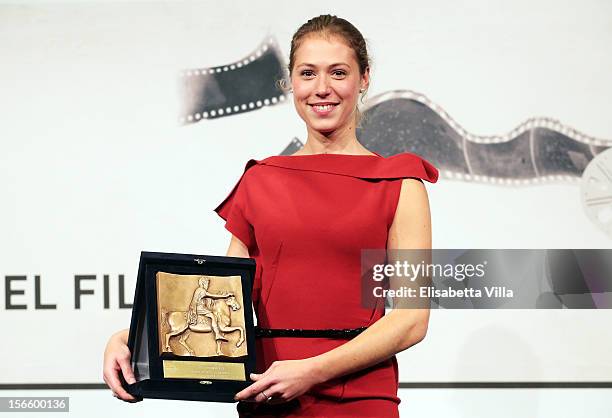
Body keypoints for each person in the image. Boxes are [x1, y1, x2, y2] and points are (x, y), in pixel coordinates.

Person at [103, 14, 438, 417]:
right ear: (291, 82)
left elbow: (410, 320)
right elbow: (224, 300)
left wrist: (310, 371)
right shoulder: (261, 180)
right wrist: (132, 340)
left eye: (338, 72)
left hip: (359, 400)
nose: (322, 89)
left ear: (364, 78)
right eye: (308, 73)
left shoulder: (398, 182)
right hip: (270, 396)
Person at [188, 276, 234, 342]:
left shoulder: (198, 290)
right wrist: (224, 296)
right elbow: (212, 295)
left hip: (199, 307)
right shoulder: (201, 290)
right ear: (203, 283)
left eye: (208, 284)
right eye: (207, 283)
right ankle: (217, 334)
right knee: (212, 315)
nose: (207, 285)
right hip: (199, 308)